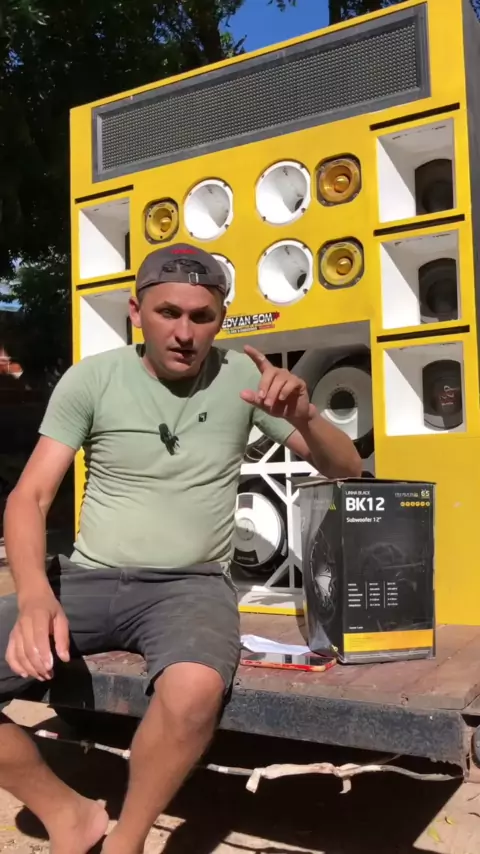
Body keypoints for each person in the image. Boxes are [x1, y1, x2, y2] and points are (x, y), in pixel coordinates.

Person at [0, 243, 362, 854]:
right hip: (89, 577)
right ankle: (68, 814)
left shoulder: (243, 379)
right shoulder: (92, 378)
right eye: (168, 312)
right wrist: (35, 595)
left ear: (221, 319)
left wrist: (306, 417)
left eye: (202, 317)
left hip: (189, 586)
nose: (185, 333)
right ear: (136, 312)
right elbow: (29, 497)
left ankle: (127, 840)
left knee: (194, 691)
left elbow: (346, 469)